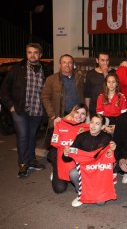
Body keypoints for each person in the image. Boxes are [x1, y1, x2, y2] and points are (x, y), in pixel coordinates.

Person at [0, 43, 46, 177]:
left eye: (35, 52)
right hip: (19, 109)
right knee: (23, 135)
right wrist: (10, 106)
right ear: (26, 54)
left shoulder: (45, 70)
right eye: (29, 52)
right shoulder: (17, 68)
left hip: (37, 109)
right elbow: (3, 89)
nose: (32, 55)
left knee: (32, 136)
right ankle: (23, 164)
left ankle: (31, 160)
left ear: (40, 55)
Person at [63, 114, 116, 207]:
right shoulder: (81, 136)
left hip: (98, 170)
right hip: (84, 168)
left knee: (100, 203)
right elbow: (67, 157)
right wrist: (66, 153)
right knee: (73, 173)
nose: (93, 126)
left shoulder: (107, 138)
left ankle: (98, 188)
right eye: (92, 122)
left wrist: (114, 149)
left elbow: (112, 158)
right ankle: (82, 193)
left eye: (97, 123)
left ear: (103, 127)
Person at [49, 104, 89, 193]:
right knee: (59, 189)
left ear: (86, 117)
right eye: (77, 112)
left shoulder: (87, 129)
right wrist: (55, 125)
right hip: (61, 160)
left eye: (83, 114)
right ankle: (56, 171)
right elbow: (53, 143)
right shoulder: (61, 123)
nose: (79, 116)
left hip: (76, 163)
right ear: (72, 113)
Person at [41, 54, 85, 127]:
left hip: (77, 116)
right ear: (60, 64)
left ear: (73, 64)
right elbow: (45, 97)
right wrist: (52, 114)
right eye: (64, 62)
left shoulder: (79, 78)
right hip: (60, 116)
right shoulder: (51, 79)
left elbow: (83, 95)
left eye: (69, 62)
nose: (67, 65)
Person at [84, 52, 115, 117]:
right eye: (102, 60)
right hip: (94, 109)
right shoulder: (90, 73)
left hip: (110, 109)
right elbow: (87, 94)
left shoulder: (113, 73)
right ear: (97, 60)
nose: (105, 63)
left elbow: (114, 90)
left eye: (107, 60)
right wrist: (87, 111)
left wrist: (105, 74)